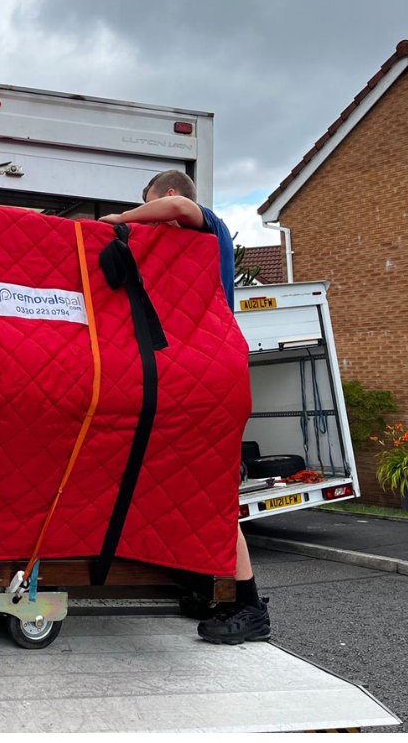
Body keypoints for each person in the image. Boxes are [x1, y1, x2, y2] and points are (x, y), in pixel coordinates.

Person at [100, 169, 270, 645]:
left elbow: (176, 210)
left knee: (215, 495)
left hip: (216, 367)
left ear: (169, 194)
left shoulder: (204, 223)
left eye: (149, 205)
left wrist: (120, 220)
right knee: (187, 487)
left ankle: (249, 607)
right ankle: (209, 586)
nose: (153, 224)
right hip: (202, 367)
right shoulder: (183, 257)